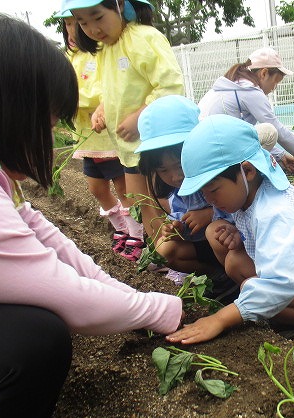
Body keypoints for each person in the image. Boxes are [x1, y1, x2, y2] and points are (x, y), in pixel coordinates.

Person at [0, 14, 182, 418]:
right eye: (47, 121)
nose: (49, 138)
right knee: (31, 339)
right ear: (9, 105)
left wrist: (129, 296)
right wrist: (165, 311)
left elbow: (42, 236)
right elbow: (58, 293)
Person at [166, 115, 294, 359]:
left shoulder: (275, 213)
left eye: (213, 190)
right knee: (235, 263)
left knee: (249, 285)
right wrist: (239, 234)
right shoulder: (252, 193)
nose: (208, 200)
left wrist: (221, 319)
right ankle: (283, 312)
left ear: (248, 171)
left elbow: (280, 283)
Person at [61, 0, 185, 261]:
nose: (93, 29)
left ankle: (185, 257)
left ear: (119, 5)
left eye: (97, 17)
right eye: (83, 22)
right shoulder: (107, 49)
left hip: (161, 149)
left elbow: (170, 86)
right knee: (144, 206)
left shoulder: (144, 38)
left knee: (168, 205)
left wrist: (139, 116)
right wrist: (103, 109)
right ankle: (165, 259)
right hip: (130, 149)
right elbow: (114, 90)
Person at [60, 13, 144, 260]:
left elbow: (105, 90)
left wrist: (75, 100)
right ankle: (121, 229)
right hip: (87, 138)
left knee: (123, 187)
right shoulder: (70, 57)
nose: (73, 30)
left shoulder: (100, 53)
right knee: (96, 188)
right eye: (69, 24)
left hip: (107, 136)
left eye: (77, 24)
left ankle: (137, 236)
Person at [135, 95, 233, 286]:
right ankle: (216, 276)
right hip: (207, 247)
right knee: (164, 249)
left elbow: (241, 209)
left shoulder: (218, 175)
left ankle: (235, 277)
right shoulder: (177, 190)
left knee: (215, 230)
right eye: (163, 170)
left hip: (233, 243)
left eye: (179, 165)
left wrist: (209, 214)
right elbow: (180, 213)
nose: (175, 177)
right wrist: (176, 226)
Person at [197, 47, 294, 171]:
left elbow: (244, 135)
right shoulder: (250, 90)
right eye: (275, 82)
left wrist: (280, 155)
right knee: (269, 131)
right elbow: (277, 129)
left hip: (204, 148)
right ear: (264, 73)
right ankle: (245, 173)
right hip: (218, 149)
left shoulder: (233, 85)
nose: (274, 88)